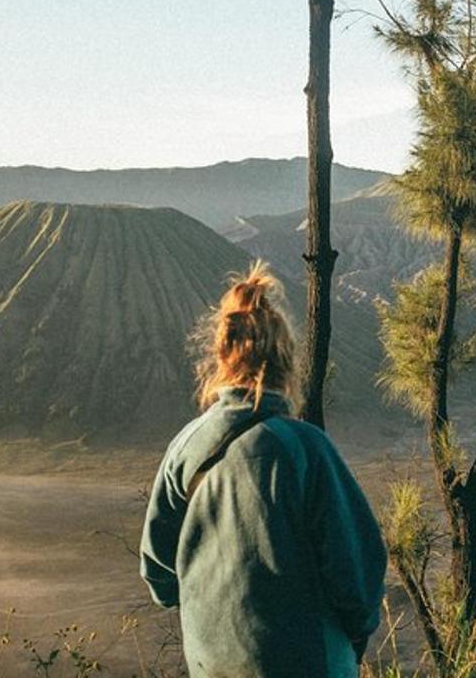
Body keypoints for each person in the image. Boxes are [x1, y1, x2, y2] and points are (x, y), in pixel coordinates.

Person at [139, 262, 386, 678]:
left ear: (220, 355)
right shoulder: (305, 449)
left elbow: (158, 574)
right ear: (286, 361)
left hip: (211, 664)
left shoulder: (186, 447)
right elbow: (356, 576)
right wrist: (352, 640)